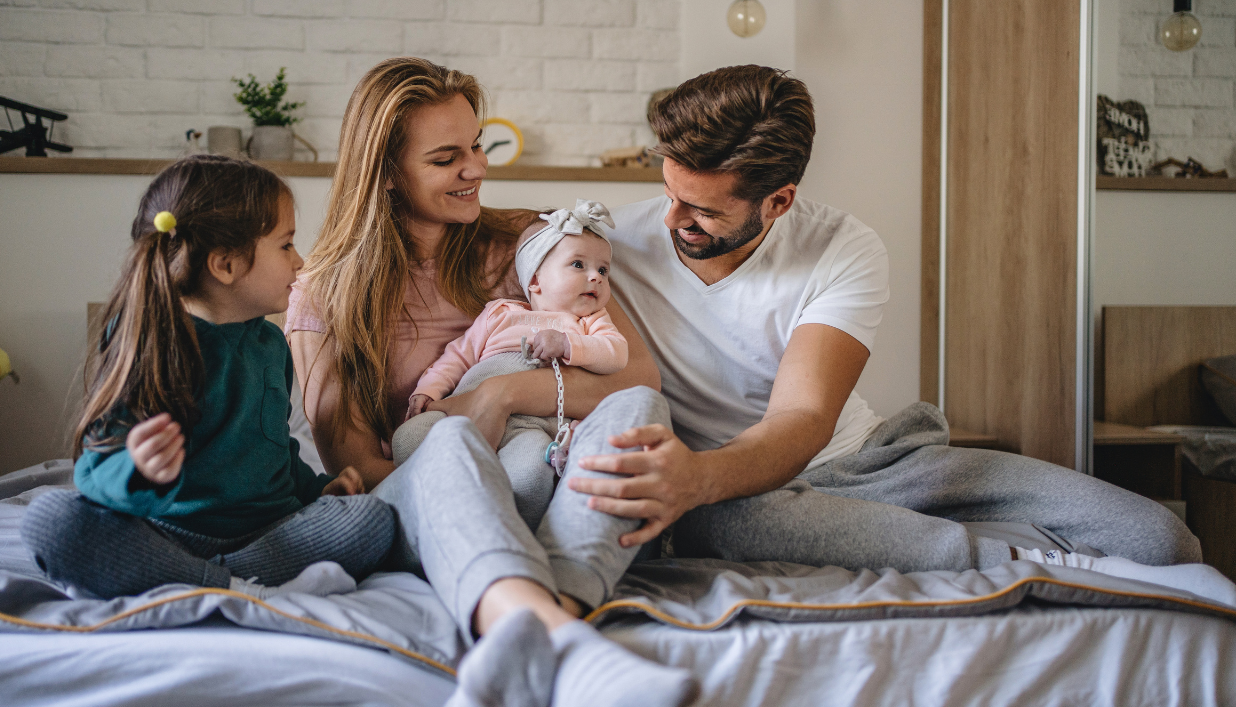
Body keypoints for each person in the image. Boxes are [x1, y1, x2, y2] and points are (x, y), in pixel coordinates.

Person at [558, 64, 1202, 586]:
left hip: (870, 462)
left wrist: (697, 479)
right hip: (739, 499)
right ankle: (1007, 563)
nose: (671, 219)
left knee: (1157, 540)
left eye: (701, 210)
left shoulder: (842, 245)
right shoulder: (604, 248)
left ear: (778, 201)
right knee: (716, 521)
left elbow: (802, 418)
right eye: (669, 192)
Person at [287, 58, 698, 707]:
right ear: (386, 172)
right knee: (449, 442)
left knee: (642, 407)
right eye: (446, 157)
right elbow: (357, 465)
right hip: (435, 493)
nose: (476, 168)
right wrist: (474, 455)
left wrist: (499, 396)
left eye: (476, 146)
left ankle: (550, 609)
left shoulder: (526, 242)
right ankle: (566, 643)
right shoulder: (324, 290)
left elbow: (634, 376)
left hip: (550, 477)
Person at [21, 155, 394, 601]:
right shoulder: (148, 342)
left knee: (373, 518)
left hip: (266, 533)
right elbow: (95, 470)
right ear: (225, 265)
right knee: (52, 520)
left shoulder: (269, 344)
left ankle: (205, 582)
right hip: (166, 532)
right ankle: (232, 586)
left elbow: (272, 451)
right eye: (286, 245)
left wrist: (319, 491)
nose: (300, 261)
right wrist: (139, 468)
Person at [393, 199, 627, 530]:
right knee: (408, 438)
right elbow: (458, 355)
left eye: (603, 270)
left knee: (530, 473)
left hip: (530, 425)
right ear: (535, 280)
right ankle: (433, 514)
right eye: (579, 265)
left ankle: (516, 534)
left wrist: (567, 344)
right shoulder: (501, 313)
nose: (596, 278)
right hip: (469, 409)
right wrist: (428, 390)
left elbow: (616, 353)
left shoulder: (589, 322)